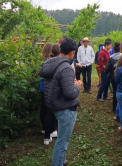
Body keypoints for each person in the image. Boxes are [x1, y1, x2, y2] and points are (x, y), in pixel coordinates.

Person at [41, 37, 82, 166]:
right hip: (65, 109)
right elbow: (70, 93)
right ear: (72, 52)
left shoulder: (51, 63)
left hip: (55, 106)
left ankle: (61, 161)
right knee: (62, 143)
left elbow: (57, 85)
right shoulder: (66, 68)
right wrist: (77, 86)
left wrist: (71, 84)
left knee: (61, 141)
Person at [39, 43, 57, 145]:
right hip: (49, 89)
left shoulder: (41, 62)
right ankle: (49, 131)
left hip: (42, 88)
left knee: (43, 109)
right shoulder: (50, 62)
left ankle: (43, 127)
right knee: (50, 111)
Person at [105, 42, 121, 111]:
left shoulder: (111, 58)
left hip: (113, 76)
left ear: (113, 50)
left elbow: (107, 68)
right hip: (121, 76)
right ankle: (120, 105)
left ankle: (114, 107)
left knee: (115, 91)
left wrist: (107, 73)